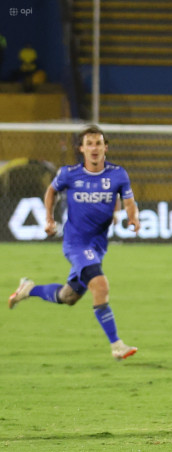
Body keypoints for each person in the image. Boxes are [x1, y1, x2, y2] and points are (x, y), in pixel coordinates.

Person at [8, 125, 140, 360]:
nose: (94, 148)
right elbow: (51, 191)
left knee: (68, 297)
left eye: (98, 143)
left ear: (105, 147)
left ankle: (29, 289)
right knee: (100, 285)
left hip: (98, 245)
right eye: (89, 143)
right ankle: (117, 345)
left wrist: (133, 217)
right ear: (81, 149)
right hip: (76, 243)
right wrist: (48, 218)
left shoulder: (118, 174)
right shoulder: (69, 173)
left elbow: (128, 200)